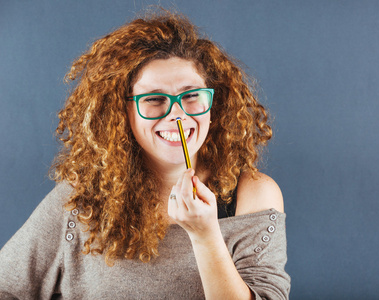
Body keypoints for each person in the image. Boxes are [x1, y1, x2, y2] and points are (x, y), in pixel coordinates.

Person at [0, 9, 290, 299]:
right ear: (121, 113)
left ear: (215, 104)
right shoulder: (82, 198)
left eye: (191, 96)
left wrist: (205, 235)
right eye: (153, 99)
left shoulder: (252, 195)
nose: (177, 114)